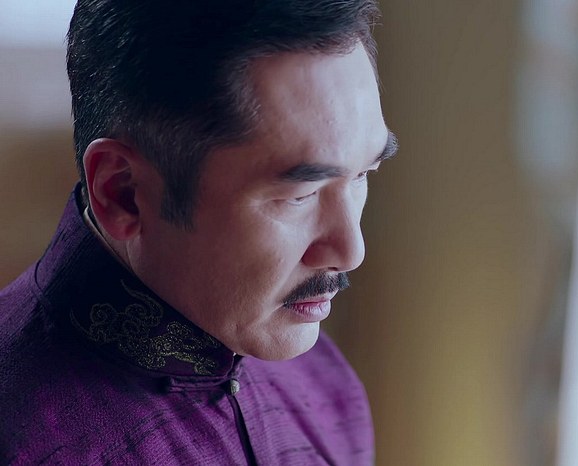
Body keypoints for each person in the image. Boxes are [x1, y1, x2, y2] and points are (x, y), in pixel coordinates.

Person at [0, 0, 397, 464]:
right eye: (300, 195)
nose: (350, 251)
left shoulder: (326, 386)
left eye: (363, 174)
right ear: (123, 193)